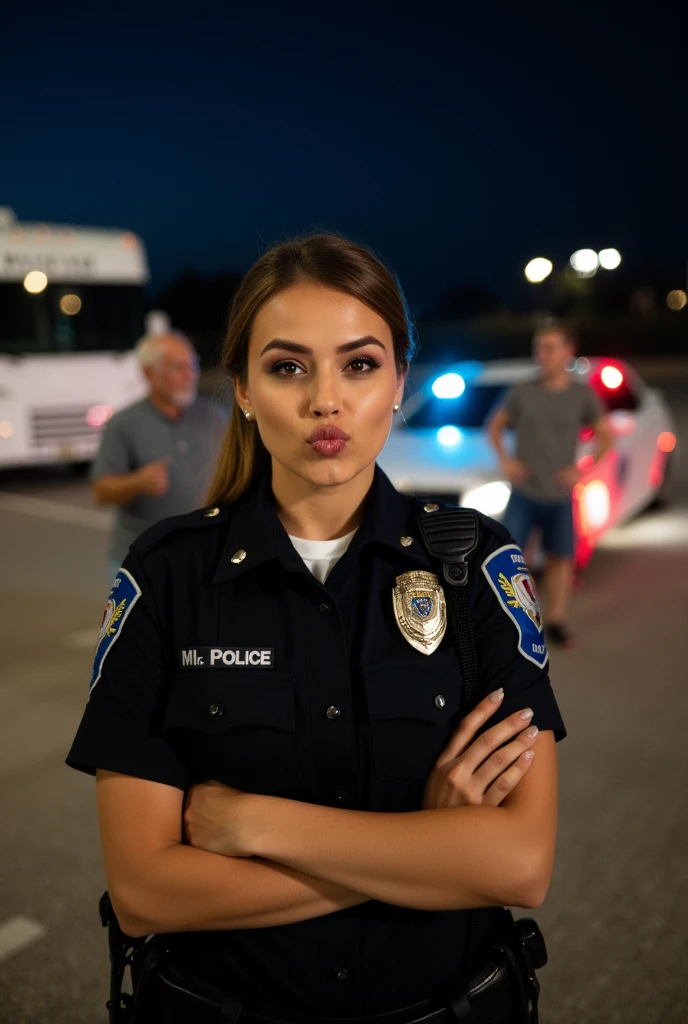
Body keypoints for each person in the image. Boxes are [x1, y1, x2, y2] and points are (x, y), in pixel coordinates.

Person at [67, 234, 566, 1024]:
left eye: (360, 364)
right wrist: (425, 847)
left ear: (400, 380)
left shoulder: (475, 568)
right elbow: (144, 891)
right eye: (287, 367)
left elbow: (520, 863)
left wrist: (257, 823)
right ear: (240, 387)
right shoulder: (165, 575)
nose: (324, 401)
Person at [488, 322, 613, 647]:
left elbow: (606, 436)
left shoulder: (581, 395)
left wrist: (582, 470)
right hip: (525, 490)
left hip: (559, 493)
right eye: (539, 347)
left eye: (550, 347)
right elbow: (495, 427)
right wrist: (507, 461)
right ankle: (510, 622)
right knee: (511, 558)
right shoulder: (522, 391)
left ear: (568, 351)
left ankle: (556, 619)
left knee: (561, 559)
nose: (542, 354)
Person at [91, 328, 227, 581]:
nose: (191, 376)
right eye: (178, 367)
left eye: (193, 365)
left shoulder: (214, 416)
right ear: (149, 373)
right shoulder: (124, 423)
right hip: (142, 562)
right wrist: (138, 481)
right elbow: (101, 491)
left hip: (206, 556)